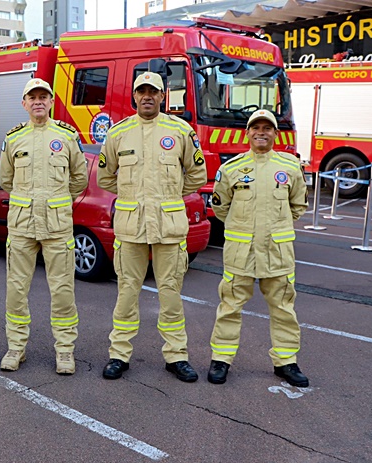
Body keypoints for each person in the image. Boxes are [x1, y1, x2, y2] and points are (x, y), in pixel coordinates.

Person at [97, 72, 207, 381]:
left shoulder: (181, 131)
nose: (147, 96)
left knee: (170, 294)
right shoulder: (119, 133)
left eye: (153, 91)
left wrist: (168, 196)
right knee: (127, 293)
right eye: (141, 91)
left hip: (168, 226)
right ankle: (119, 354)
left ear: (163, 95)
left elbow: (198, 175)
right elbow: (106, 177)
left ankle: (177, 356)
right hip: (131, 226)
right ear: (134, 97)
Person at [206, 109, 309, 387]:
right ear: (248, 133)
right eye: (256, 128)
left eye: (267, 128)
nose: (261, 132)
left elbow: (297, 207)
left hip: (277, 253)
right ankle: (221, 360)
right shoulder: (231, 169)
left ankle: (286, 362)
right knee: (229, 307)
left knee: (283, 309)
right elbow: (219, 207)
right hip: (241, 252)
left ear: (275, 133)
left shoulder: (289, 167)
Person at [0, 78, 88, 374]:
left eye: (43, 97)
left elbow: (79, 178)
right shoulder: (14, 138)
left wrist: (56, 201)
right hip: (22, 225)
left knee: (62, 290)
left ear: (51, 102)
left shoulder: (66, 136)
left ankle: (64, 351)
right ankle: (16, 348)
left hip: (57, 226)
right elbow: (6, 181)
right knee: (16, 290)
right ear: (24, 104)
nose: (38, 101)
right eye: (32, 97)